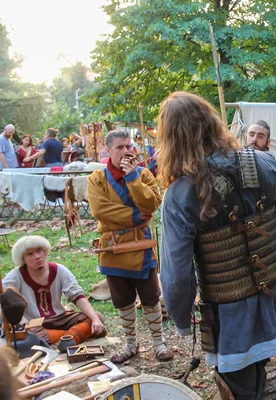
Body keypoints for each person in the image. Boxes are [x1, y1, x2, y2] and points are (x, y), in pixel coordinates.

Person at [158, 92, 276, 400]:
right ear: (212, 123)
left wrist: (181, 319)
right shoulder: (265, 163)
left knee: (238, 388)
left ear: (172, 138)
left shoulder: (179, 196)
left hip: (229, 315)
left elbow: (178, 275)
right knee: (254, 376)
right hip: (272, 296)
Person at [87, 130, 173, 364]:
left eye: (129, 146)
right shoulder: (97, 178)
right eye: (120, 148)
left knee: (151, 297)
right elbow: (100, 210)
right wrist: (136, 216)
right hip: (112, 247)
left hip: (140, 244)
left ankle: (159, 343)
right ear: (108, 151)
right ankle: (130, 345)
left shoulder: (143, 174)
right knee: (122, 299)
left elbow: (151, 203)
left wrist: (133, 178)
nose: (126, 151)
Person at [244, 120, 276, 364]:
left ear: (268, 141)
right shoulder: (234, 166)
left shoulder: (273, 168)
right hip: (244, 248)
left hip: (272, 243)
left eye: (260, 136)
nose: (255, 139)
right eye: (251, 134)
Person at [2, 236, 106, 345]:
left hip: (60, 318)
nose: (37, 257)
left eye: (39, 251)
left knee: (97, 317)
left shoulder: (59, 270)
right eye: (30, 254)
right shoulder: (16, 276)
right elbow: (5, 300)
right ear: (22, 259)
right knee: (32, 336)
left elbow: (78, 296)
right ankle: (71, 337)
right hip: (33, 324)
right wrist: (23, 322)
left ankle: (60, 339)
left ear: (45, 251)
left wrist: (95, 319)